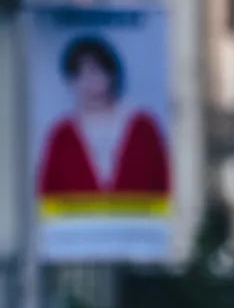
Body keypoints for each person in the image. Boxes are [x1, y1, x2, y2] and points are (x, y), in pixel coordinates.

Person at [36, 34, 170, 197]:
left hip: (136, 220)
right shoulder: (61, 134)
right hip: (79, 222)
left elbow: (164, 184)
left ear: (111, 74)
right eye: (79, 75)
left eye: (94, 72)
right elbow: (47, 193)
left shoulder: (143, 126)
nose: (88, 82)